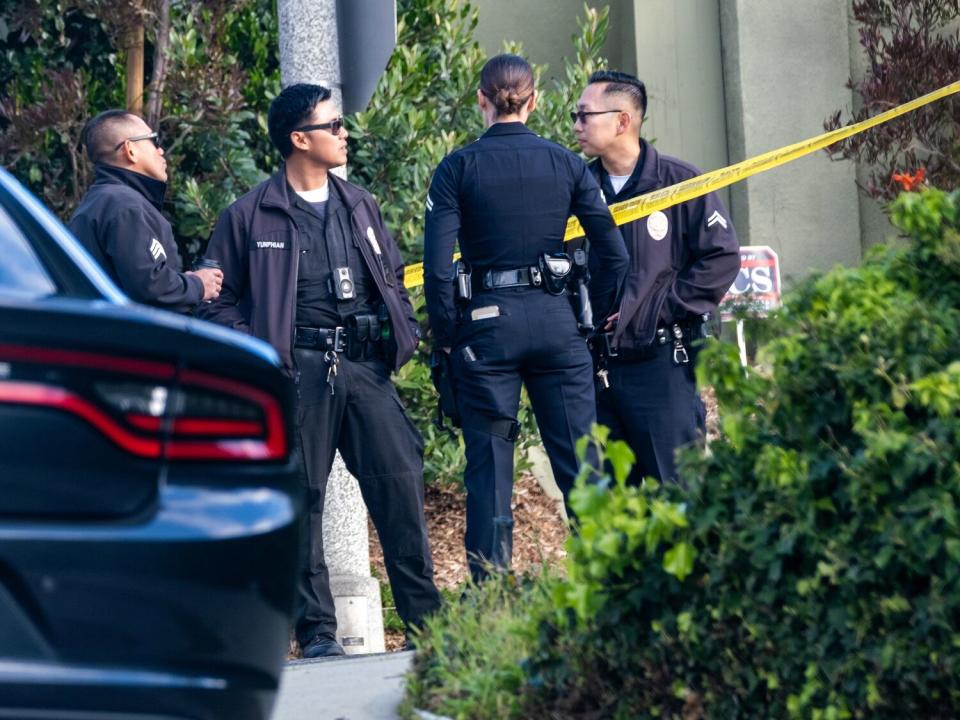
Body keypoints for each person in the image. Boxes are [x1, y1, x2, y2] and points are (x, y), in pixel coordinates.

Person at [199, 83, 441, 658]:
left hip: (364, 366)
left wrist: (396, 333)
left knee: (400, 489)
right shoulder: (249, 214)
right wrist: (259, 349)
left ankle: (430, 628)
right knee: (301, 500)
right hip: (297, 373)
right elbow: (215, 298)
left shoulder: (361, 203)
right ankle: (317, 635)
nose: (344, 133)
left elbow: (393, 275)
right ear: (298, 139)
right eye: (332, 126)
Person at [423, 54, 629, 582]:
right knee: (582, 464)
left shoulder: (457, 168)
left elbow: (438, 272)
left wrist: (447, 340)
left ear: (481, 101)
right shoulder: (565, 164)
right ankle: (606, 584)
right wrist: (593, 321)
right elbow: (614, 253)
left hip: (488, 329)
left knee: (489, 466)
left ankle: (491, 594)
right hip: (557, 325)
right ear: (534, 101)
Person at [573, 70, 741, 484]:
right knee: (605, 514)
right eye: (574, 117)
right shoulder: (576, 188)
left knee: (678, 501)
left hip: (662, 366)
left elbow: (721, 258)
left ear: (622, 121)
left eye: (584, 116)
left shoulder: (679, 183)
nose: (576, 126)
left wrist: (653, 311)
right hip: (594, 373)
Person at [70, 110, 222, 312]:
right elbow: (151, 288)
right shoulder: (125, 207)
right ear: (130, 149)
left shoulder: (100, 202)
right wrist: (198, 285)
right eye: (154, 141)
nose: (160, 151)